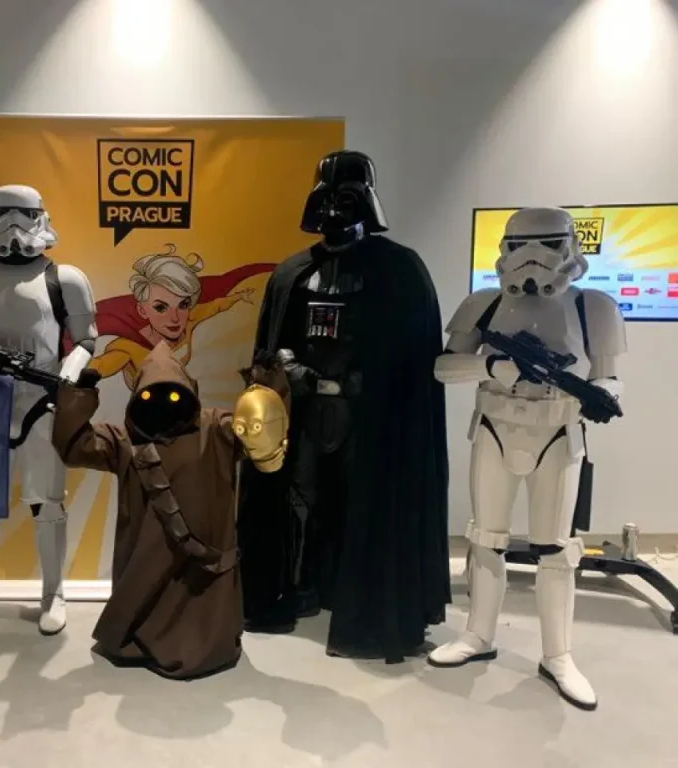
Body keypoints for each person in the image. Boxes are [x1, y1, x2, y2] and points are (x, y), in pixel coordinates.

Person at [237, 150, 451, 663]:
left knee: (367, 505)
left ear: (369, 201)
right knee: (300, 499)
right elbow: (273, 345)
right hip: (305, 411)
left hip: (370, 416)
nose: (335, 208)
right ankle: (299, 586)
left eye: (348, 197)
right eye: (327, 197)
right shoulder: (292, 273)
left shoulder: (399, 270)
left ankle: (367, 603)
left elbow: (410, 358)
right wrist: (290, 370)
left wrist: (362, 379)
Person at [426, 207, 627, 711]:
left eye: (548, 245)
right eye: (520, 247)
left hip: (558, 433)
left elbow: (608, 375)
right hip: (494, 429)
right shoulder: (484, 304)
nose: (533, 259)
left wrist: (600, 394)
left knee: (556, 550)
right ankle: (478, 634)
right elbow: (444, 367)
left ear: (569, 247)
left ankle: (558, 655)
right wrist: (492, 365)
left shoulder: (592, 307)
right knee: (485, 538)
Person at [50, 342, 290, 680]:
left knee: (201, 618)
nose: (163, 402)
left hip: (202, 574)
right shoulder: (124, 441)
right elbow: (75, 447)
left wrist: (268, 391)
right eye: (151, 395)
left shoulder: (215, 429)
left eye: (174, 394)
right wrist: (78, 395)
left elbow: (261, 435)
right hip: (147, 568)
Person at [0, 184, 97, 637]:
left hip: (40, 401)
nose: (12, 225)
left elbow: (86, 340)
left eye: (22, 214)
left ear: (40, 218)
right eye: (2, 213)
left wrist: (66, 375)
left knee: (47, 502)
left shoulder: (65, 279)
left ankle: (53, 593)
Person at [86, 244, 274, 390]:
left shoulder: (189, 320)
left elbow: (215, 306)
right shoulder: (129, 347)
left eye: (183, 305)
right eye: (161, 307)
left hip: (184, 406)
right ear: (142, 311)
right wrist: (77, 373)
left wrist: (239, 297)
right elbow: (100, 366)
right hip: (145, 414)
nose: (175, 318)